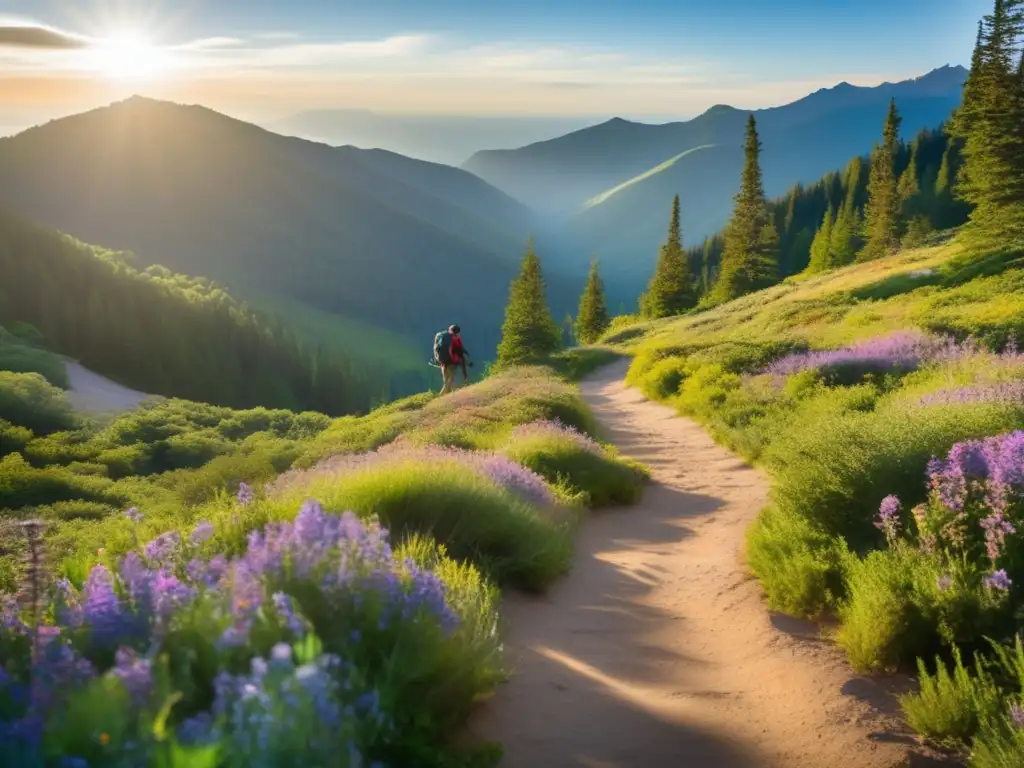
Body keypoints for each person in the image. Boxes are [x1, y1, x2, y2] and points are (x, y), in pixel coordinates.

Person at [437, 324, 470, 394]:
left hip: (443, 362)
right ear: (457, 332)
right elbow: (460, 350)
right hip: (450, 363)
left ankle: (445, 395)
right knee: (449, 380)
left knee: (447, 380)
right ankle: (439, 397)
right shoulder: (455, 339)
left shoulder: (445, 338)